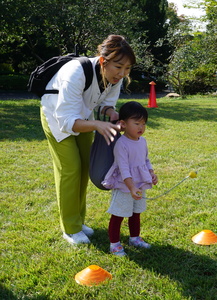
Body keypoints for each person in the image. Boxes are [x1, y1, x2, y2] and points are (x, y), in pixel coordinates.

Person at [40, 35, 135, 244]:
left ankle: (78, 220)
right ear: (103, 61)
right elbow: (66, 121)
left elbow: (104, 104)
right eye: (118, 67)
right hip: (56, 117)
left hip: (84, 117)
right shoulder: (75, 72)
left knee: (85, 167)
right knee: (70, 169)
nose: (122, 74)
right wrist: (97, 125)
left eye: (127, 68)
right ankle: (70, 228)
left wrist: (110, 114)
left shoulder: (115, 78)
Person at [102, 101, 158, 256]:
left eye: (144, 124)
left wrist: (151, 172)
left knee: (136, 212)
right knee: (119, 214)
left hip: (139, 183)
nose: (141, 127)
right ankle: (115, 244)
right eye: (137, 123)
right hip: (124, 185)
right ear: (123, 124)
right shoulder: (122, 144)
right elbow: (124, 168)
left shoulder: (143, 141)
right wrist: (131, 187)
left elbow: (145, 160)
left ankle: (134, 238)